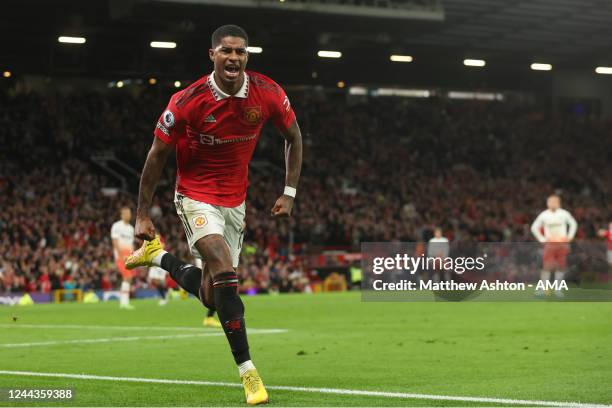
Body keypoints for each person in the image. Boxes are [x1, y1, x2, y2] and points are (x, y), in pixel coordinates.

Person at [125, 24, 302, 405]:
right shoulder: (187, 101)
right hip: (194, 197)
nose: (233, 58)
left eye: (240, 52)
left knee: (211, 295)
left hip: (235, 202)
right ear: (212, 55)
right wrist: (142, 214)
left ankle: (159, 256)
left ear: (247, 56)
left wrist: (289, 192)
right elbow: (156, 156)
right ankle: (249, 372)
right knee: (223, 268)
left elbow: (294, 137)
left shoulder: (267, 93)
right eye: (226, 51)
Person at [530, 195, 577, 297]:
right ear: (547, 203)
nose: (552, 204)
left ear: (559, 203)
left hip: (562, 244)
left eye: (554, 202)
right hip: (550, 244)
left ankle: (558, 290)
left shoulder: (564, 214)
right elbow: (534, 227)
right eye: (550, 202)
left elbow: (573, 224)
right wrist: (542, 239)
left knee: (560, 267)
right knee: (547, 267)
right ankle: (542, 289)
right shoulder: (544, 215)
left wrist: (569, 237)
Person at [111, 206, 135, 309]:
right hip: (121, 256)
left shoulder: (131, 228)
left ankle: (124, 302)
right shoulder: (117, 226)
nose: (128, 215)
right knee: (127, 277)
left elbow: (131, 243)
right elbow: (115, 241)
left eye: (129, 213)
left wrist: (133, 255)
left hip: (129, 256)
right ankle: (124, 303)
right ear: (122, 215)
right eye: (126, 213)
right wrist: (121, 256)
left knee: (129, 278)